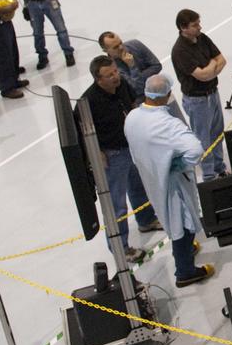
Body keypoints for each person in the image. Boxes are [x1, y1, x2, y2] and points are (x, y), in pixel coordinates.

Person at [124, 75, 215, 288]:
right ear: (166, 96)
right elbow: (195, 150)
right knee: (183, 222)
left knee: (170, 218)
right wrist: (179, 165)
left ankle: (183, 251)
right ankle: (185, 271)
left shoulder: (133, 116)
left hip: (151, 177)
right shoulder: (168, 124)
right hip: (173, 182)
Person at [77, 55, 161, 264]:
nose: (115, 77)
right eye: (109, 75)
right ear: (98, 79)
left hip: (131, 147)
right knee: (117, 204)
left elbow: (133, 104)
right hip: (112, 156)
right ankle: (120, 247)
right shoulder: (87, 102)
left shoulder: (122, 84)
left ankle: (146, 219)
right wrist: (96, 154)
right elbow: (81, 133)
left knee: (138, 186)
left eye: (115, 71)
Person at [170, 9, 227, 178]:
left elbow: (222, 60)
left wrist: (209, 70)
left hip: (213, 94)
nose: (199, 27)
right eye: (195, 25)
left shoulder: (202, 38)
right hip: (198, 100)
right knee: (203, 139)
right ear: (183, 27)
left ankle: (219, 167)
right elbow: (202, 76)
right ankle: (209, 175)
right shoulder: (180, 50)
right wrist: (212, 65)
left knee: (217, 133)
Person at [99, 31, 162, 97]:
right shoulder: (111, 68)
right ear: (106, 51)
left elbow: (157, 65)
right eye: (115, 47)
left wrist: (138, 77)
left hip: (158, 89)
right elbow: (138, 89)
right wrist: (132, 66)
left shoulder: (135, 44)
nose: (121, 47)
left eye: (121, 43)